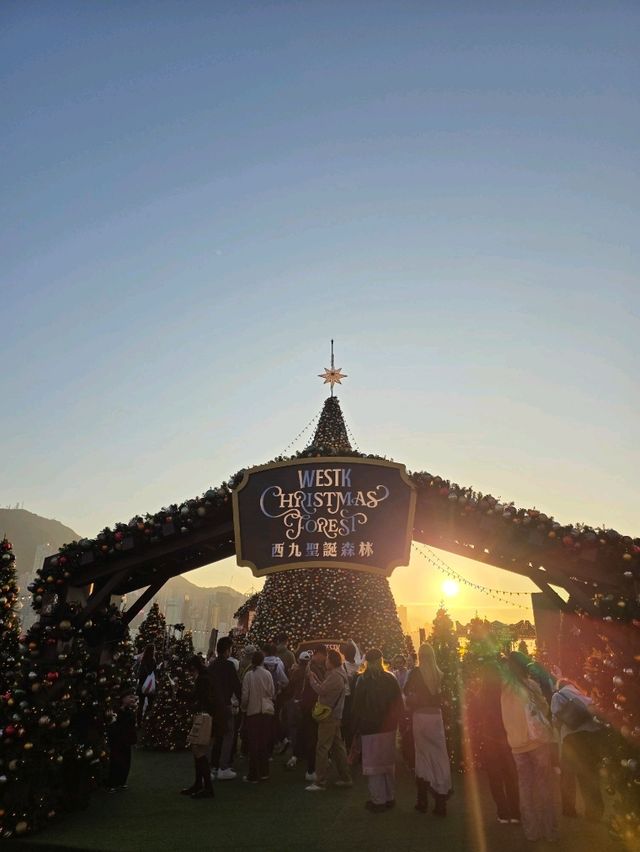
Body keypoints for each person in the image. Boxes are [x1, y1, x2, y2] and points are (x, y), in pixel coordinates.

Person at [500, 651, 558, 843]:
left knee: (525, 787)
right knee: (543, 785)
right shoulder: (530, 685)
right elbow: (544, 707)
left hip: (517, 744)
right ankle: (549, 830)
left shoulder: (506, 690)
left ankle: (531, 831)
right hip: (537, 741)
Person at [351, 648, 403, 813]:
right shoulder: (391, 678)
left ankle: (378, 800)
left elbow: (357, 706)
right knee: (388, 764)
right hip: (389, 727)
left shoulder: (362, 680)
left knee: (374, 766)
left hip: (370, 728)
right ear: (381, 661)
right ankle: (390, 797)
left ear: (366, 662)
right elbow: (399, 704)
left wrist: (355, 728)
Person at [404, 643, 452, 816]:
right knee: (439, 757)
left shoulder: (416, 673)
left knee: (422, 757)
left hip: (420, 717)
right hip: (436, 718)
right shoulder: (440, 674)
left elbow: (406, 691)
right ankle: (441, 801)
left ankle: (422, 800)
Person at [551, 677, 603, 821]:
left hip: (571, 739)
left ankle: (569, 809)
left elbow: (555, 721)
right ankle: (594, 813)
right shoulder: (583, 695)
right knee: (589, 775)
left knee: (567, 776)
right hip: (590, 737)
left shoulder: (558, 696)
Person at [477, 660, 520, 824]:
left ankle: (502, 812)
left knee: (495, 778)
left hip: (489, 739)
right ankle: (515, 812)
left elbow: (475, 717)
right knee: (510, 775)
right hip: (506, 736)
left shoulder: (481, 695)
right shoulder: (505, 692)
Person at [306, 648, 352, 792]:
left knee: (322, 747)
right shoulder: (339, 674)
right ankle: (346, 777)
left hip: (329, 716)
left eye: (327, 660)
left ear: (331, 661)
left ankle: (320, 781)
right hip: (335, 715)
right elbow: (326, 688)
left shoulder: (335, 676)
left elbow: (321, 690)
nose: (325, 662)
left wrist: (312, 679)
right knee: (338, 747)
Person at [182, 655, 218, 799]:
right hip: (206, 717)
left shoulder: (203, 680)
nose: (190, 674)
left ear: (194, 668)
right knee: (198, 751)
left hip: (205, 718)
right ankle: (199, 784)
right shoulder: (206, 678)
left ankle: (206, 787)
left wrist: (180, 694)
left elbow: (198, 698)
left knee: (199, 752)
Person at [208, 636, 242, 780]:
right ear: (228, 650)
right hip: (225, 705)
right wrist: (241, 700)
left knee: (214, 737)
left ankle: (212, 767)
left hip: (213, 706)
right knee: (228, 735)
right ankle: (223, 767)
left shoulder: (212, 666)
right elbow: (236, 686)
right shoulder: (229, 666)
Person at [241, 649, 276, 784]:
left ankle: (253, 774)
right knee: (263, 742)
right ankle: (264, 771)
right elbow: (272, 692)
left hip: (253, 711)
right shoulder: (268, 674)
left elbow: (245, 695)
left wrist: (244, 708)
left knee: (253, 743)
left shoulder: (249, 675)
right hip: (266, 712)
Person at [298, 645, 327, 782]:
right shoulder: (312, 668)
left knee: (313, 737)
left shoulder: (315, 666)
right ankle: (311, 769)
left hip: (311, 705)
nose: (325, 659)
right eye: (324, 656)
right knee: (313, 738)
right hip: (311, 706)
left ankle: (313, 766)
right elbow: (319, 686)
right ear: (319, 654)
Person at [284, 649, 311, 768]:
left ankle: (296, 751)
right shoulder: (310, 672)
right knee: (304, 728)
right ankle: (303, 751)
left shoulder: (297, 672)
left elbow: (290, 685)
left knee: (295, 728)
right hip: (305, 702)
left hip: (296, 701)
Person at [106, 689, 137, 791]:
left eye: (133, 697)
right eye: (130, 697)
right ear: (123, 699)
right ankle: (112, 783)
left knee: (126, 761)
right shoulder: (117, 711)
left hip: (126, 741)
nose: (132, 699)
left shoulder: (129, 712)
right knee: (116, 762)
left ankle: (121, 781)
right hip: (117, 740)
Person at [135, 644, 157, 726]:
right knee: (150, 704)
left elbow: (139, 673)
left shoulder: (142, 660)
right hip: (149, 684)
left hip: (142, 684)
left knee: (141, 704)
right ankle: (145, 720)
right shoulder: (153, 660)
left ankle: (139, 722)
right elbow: (153, 672)